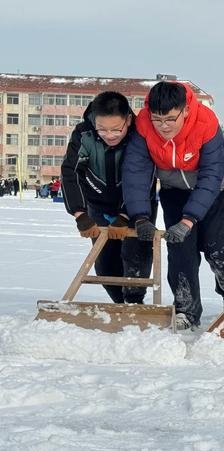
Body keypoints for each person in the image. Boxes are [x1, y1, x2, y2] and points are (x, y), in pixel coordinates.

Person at [122, 81, 224, 330]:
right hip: (174, 189)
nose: (163, 126)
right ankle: (186, 309)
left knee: (217, 249)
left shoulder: (206, 123)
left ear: (185, 111)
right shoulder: (144, 125)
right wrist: (140, 216)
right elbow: (136, 171)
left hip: (217, 189)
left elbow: (211, 175)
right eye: (158, 119)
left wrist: (189, 219)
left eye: (170, 119)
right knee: (180, 251)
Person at [61, 91, 157, 304]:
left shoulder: (138, 135)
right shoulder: (83, 134)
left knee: (135, 259)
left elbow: (142, 176)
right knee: (104, 264)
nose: (109, 135)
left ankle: (134, 303)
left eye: (116, 129)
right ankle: (119, 304)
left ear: (128, 120)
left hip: (137, 204)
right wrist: (80, 213)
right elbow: (70, 172)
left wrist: (125, 213)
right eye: (102, 129)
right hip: (99, 205)